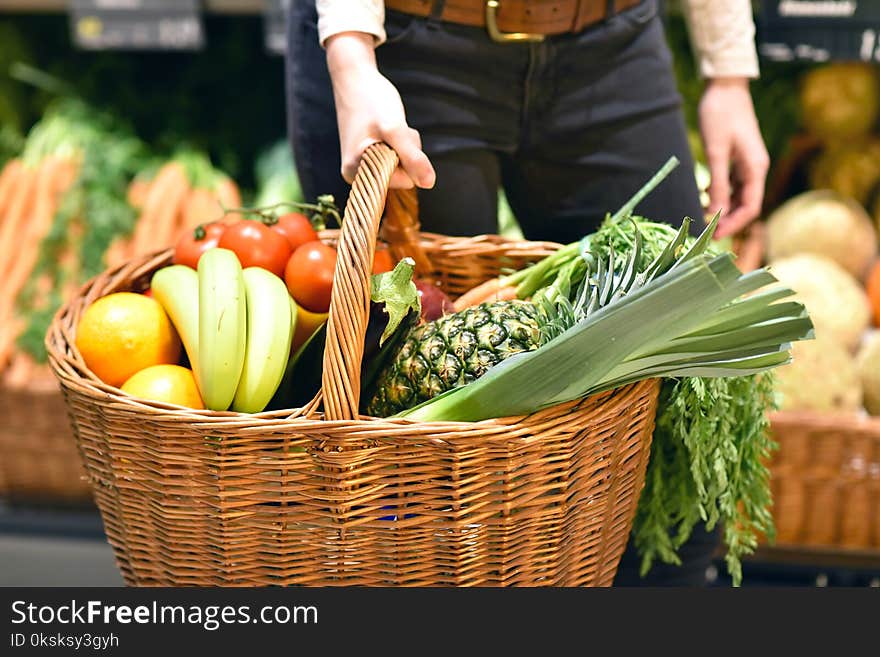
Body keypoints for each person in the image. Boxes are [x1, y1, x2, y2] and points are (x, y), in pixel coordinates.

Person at [285, 0, 769, 585]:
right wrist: (351, 53)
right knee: (422, 478)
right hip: (405, 47)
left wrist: (728, 70)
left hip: (610, 42)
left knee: (680, 448)